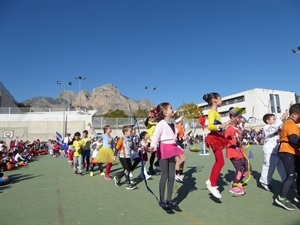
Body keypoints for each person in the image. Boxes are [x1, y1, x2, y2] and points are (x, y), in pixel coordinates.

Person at [149, 102, 183, 213]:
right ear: (164, 112)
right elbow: (155, 136)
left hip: (172, 148)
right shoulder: (161, 124)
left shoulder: (172, 124)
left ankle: (169, 199)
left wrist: (182, 139)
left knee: (172, 175)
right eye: (171, 108)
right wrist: (153, 146)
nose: (173, 110)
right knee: (164, 175)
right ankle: (162, 200)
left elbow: (174, 138)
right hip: (163, 149)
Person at [203, 92, 229, 199]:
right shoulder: (212, 112)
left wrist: (223, 125)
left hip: (217, 137)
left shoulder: (215, 112)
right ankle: (212, 184)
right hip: (214, 138)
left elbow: (217, 125)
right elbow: (210, 126)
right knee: (220, 161)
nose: (221, 101)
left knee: (220, 161)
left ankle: (211, 180)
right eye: (220, 99)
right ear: (215, 100)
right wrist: (220, 126)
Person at [275, 103, 300, 211]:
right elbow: (294, 139)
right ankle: (281, 198)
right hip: (287, 152)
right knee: (290, 176)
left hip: (294, 152)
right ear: (294, 114)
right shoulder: (290, 123)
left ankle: (298, 195)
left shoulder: (293, 124)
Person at [259, 111, 288, 191]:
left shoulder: (276, 126)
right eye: (274, 119)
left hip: (277, 149)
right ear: (268, 121)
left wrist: (284, 119)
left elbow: (279, 128)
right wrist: (282, 117)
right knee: (269, 167)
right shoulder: (267, 127)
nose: (275, 120)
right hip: (269, 150)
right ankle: (265, 182)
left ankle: (286, 180)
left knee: (282, 166)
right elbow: (273, 129)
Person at [225, 107, 249, 196]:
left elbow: (240, 140)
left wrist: (241, 137)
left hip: (241, 152)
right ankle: (234, 186)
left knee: (248, 169)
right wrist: (236, 141)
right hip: (233, 153)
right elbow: (226, 142)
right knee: (239, 169)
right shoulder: (229, 129)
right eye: (238, 117)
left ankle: (237, 180)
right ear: (232, 118)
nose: (240, 119)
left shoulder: (238, 129)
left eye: (240, 117)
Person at [113, 125, 137, 190]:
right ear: (125, 132)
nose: (132, 132)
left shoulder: (130, 139)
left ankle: (118, 178)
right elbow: (117, 147)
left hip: (128, 157)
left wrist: (135, 148)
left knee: (126, 170)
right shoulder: (122, 139)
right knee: (127, 170)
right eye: (130, 131)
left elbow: (131, 147)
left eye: (132, 131)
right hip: (123, 157)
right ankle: (128, 184)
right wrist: (114, 156)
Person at [145, 107, 159, 175]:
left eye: (154, 117)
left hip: (157, 140)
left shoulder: (158, 123)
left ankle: (157, 163)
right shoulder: (149, 123)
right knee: (153, 155)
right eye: (152, 117)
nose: (153, 118)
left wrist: (156, 112)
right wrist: (148, 117)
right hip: (150, 141)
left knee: (161, 152)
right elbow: (146, 122)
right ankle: (151, 167)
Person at [174, 116, 186, 182]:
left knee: (178, 159)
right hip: (177, 144)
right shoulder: (178, 128)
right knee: (183, 158)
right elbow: (175, 136)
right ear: (179, 121)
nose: (183, 120)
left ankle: (178, 174)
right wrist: (183, 138)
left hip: (179, 144)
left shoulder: (180, 127)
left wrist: (183, 138)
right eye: (182, 119)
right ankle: (178, 174)